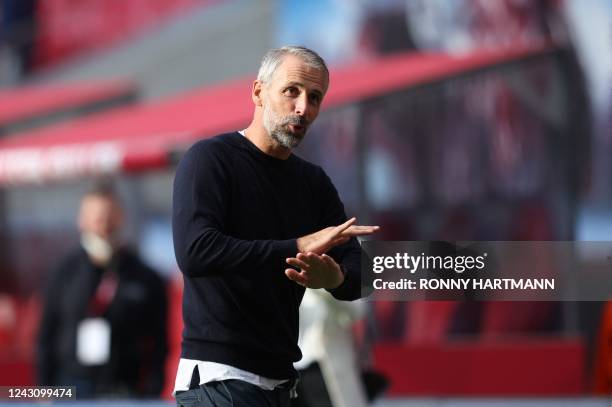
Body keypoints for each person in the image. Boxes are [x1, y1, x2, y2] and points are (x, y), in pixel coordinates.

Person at [172, 45, 380, 407]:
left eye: (315, 97)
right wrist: (297, 246)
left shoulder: (312, 183)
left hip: (283, 384)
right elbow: (195, 251)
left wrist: (332, 279)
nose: (303, 108)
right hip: (219, 379)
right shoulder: (210, 159)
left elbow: (362, 273)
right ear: (258, 92)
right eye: (292, 91)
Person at [37, 181, 168, 398]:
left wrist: (152, 390)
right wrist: (44, 390)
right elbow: (46, 336)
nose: (104, 224)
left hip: (125, 387)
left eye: (110, 216)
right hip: (71, 386)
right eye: (97, 217)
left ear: (121, 217)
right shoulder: (64, 273)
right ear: (82, 220)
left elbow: (159, 341)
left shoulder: (144, 276)